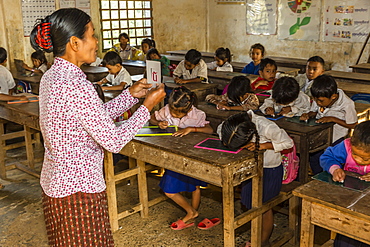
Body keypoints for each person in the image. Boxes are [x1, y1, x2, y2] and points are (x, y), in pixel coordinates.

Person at [30, 8, 165, 246]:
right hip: (79, 191)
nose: (96, 42)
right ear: (74, 43)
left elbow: (92, 119)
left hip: (57, 184)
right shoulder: (76, 85)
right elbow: (112, 140)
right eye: (92, 35)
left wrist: (130, 95)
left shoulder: (52, 77)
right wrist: (146, 107)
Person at [219, 111, 293, 247]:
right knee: (250, 203)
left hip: (269, 169)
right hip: (251, 169)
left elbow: (288, 143)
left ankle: (262, 241)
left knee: (264, 206)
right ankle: (255, 235)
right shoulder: (234, 124)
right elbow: (220, 129)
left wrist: (263, 146)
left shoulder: (267, 127)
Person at [149, 86, 213, 230]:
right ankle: (191, 212)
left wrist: (192, 129)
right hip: (174, 158)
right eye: (172, 111)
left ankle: (192, 214)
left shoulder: (198, 115)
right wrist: (159, 123)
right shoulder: (166, 110)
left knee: (195, 187)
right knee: (169, 190)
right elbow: (152, 117)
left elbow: (209, 130)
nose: (173, 114)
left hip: (192, 157)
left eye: (178, 113)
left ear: (188, 109)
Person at [320, 120, 370, 247]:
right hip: (349, 202)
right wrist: (335, 169)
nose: (359, 160)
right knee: (346, 236)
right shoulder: (346, 146)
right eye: (355, 155)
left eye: (366, 159)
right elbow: (327, 157)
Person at [300, 75, 357, 174]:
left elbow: (353, 125)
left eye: (321, 101)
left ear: (333, 97)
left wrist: (333, 119)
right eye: (315, 100)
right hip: (319, 135)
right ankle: (318, 177)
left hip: (336, 137)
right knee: (315, 157)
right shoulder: (319, 97)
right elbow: (314, 112)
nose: (318, 103)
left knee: (333, 160)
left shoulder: (347, 104)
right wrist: (308, 115)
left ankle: (333, 176)